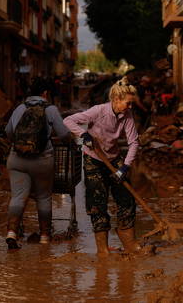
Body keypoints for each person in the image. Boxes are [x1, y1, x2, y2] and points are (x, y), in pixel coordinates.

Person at [63, 78, 141, 256]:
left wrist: (125, 167)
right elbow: (68, 120)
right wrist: (84, 134)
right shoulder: (98, 111)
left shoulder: (127, 116)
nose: (130, 107)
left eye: (131, 104)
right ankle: (103, 249)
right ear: (116, 99)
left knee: (126, 199)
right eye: (128, 103)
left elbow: (134, 142)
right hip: (93, 159)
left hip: (114, 159)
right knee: (97, 202)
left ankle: (128, 240)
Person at [4, 80, 70, 250]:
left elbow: (8, 132)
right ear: (45, 93)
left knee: (18, 196)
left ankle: (11, 233)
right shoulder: (51, 109)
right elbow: (63, 134)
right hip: (42, 161)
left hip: (17, 159)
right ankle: (44, 237)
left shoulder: (19, 108)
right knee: (43, 197)